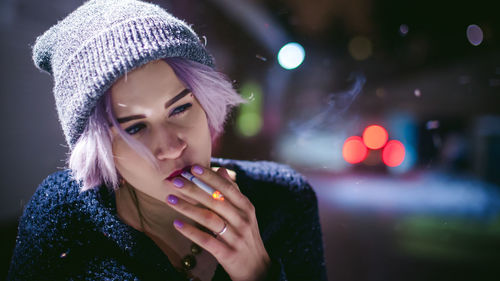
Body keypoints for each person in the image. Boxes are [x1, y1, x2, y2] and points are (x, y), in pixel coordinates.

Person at [8, 0, 327, 280]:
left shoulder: (284, 201)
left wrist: (259, 274)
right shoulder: (63, 215)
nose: (172, 146)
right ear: (100, 148)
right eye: (134, 128)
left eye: (181, 108)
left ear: (205, 103)